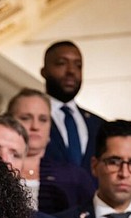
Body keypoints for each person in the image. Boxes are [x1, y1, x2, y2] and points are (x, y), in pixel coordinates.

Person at [7, 87, 95, 214]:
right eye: (26, 118)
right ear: (9, 121)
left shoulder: (75, 177)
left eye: (43, 119)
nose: (35, 126)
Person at [40, 40, 106, 173]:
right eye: (61, 63)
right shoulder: (28, 120)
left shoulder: (99, 125)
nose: (71, 71)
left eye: (78, 65)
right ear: (44, 71)